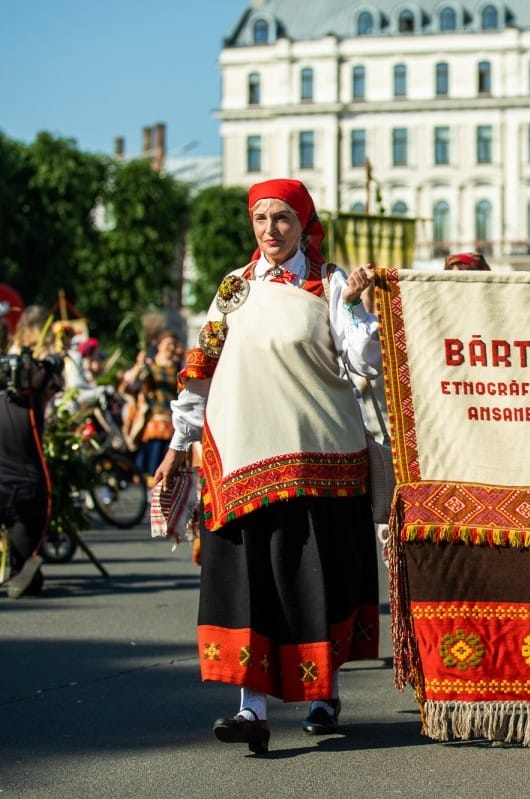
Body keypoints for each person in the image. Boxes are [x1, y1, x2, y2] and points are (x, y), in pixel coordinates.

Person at [154, 178, 382, 753]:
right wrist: (180, 442)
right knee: (247, 579)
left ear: (304, 224)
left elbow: (365, 360)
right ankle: (249, 708)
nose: (270, 230)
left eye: (282, 218)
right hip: (244, 454)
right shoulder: (234, 286)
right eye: (261, 219)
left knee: (317, 578)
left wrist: (355, 305)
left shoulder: (328, 282)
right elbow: (200, 364)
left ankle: (323, 697)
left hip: (317, 455)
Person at [0, 316, 63, 598]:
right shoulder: (31, 375)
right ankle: (21, 568)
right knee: (27, 575)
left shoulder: (30, 375)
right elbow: (54, 381)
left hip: (21, 488)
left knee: (27, 575)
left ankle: (21, 567)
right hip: (26, 487)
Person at [122, 330, 181, 481]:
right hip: (154, 424)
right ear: (159, 346)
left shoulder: (178, 369)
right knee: (153, 465)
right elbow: (130, 383)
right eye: (168, 344)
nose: (171, 348)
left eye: (174, 344)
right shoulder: (150, 368)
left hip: (174, 425)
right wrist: (139, 364)